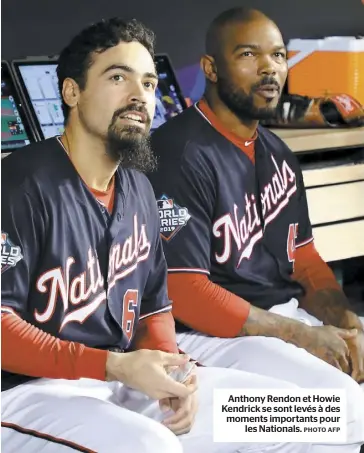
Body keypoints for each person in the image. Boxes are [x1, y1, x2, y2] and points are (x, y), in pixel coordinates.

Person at [1, 16, 316, 453]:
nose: (138, 96)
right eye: (117, 77)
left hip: (121, 379)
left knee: (314, 416)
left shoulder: (138, 188)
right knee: (152, 446)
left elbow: (154, 306)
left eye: (149, 83)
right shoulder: (17, 185)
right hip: (29, 392)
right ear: (72, 92)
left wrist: (173, 371)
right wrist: (114, 366)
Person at [147, 7, 364, 452]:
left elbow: (303, 260)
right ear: (211, 68)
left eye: (279, 56)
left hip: (276, 318)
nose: (270, 68)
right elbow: (184, 290)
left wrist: (348, 325)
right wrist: (303, 335)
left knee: (344, 400)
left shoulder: (277, 152)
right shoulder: (178, 153)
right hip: (205, 335)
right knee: (337, 410)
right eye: (249, 54)